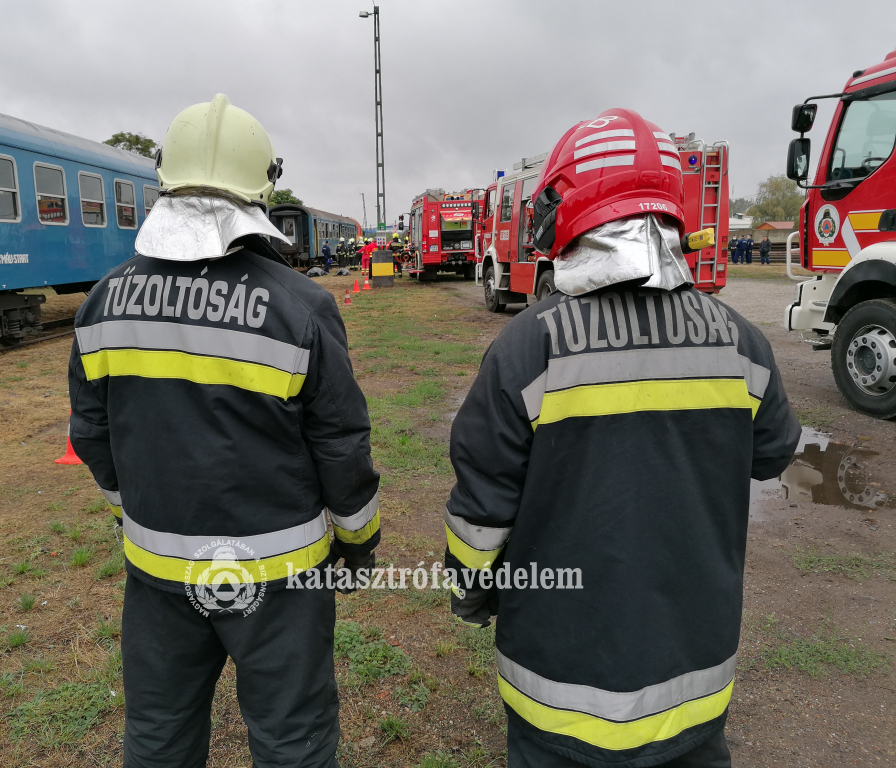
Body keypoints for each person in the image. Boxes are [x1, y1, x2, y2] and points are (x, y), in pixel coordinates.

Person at [443, 108, 800, 768]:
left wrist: (471, 594)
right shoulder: (743, 344)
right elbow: (776, 453)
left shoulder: (529, 347)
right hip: (692, 689)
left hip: (557, 694)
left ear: (568, 205)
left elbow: (480, 515)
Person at [68, 94, 380, 768]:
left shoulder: (103, 301)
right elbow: (342, 449)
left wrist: (134, 511)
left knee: (159, 733)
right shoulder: (302, 308)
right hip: (279, 578)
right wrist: (358, 543)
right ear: (262, 189)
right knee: (291, 738)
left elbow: (92, 434)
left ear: (166, 185)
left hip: (156, 573)